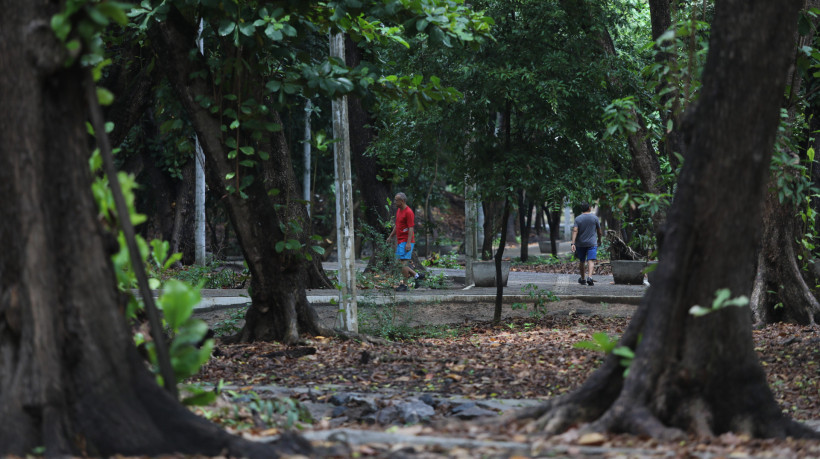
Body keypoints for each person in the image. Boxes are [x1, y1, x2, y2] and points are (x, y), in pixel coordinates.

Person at [386, 192, 424, 291]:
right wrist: (390, 236)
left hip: (407, 241)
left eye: (396, 200)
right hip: (400, 240)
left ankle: (404, 285)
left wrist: (408, 243)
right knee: (399, 264)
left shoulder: (409, 212)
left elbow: (411, 228)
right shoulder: (399, 210)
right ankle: (417, 276)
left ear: (402, 201)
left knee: (403, 264)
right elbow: (397, 225)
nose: (394, 202)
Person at [571, 202, 603, 286]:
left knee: (582, 261)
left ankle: (582, 279)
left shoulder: (578, 219)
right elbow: (599, 232)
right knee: (591, 260)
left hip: (580, 244)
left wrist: (573, 243)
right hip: (592, 243)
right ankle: (590, 277)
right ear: (589, 208)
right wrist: (599, 240)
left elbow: (575, 230)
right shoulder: (595, 218)